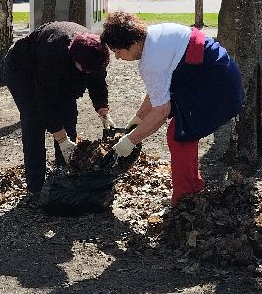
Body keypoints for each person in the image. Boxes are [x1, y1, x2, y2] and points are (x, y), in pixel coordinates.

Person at [100, 13, 244, 205]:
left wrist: (130, 141)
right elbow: (157, 90)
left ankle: (183, 199)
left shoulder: (150, 61)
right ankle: (193, 187)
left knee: (179, 135)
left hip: (217, 85)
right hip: (215, 74)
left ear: (132, 42)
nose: (117, 57)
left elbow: (161, 111)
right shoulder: (153, 36)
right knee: (182, 132)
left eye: (117, 51)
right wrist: (138, 118)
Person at [3, 21, 115, 201]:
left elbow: (97, 81)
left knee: (68, 117)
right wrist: (62, 139)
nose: (87, 74)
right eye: (84, 70)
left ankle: (64, 175)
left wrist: (103, 109)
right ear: (75, 61)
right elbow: (44, 102)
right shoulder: (54, 52)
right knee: (34, 121)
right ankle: (36, 188)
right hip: (23, 70)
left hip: (58, 73)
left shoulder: (96, 53)